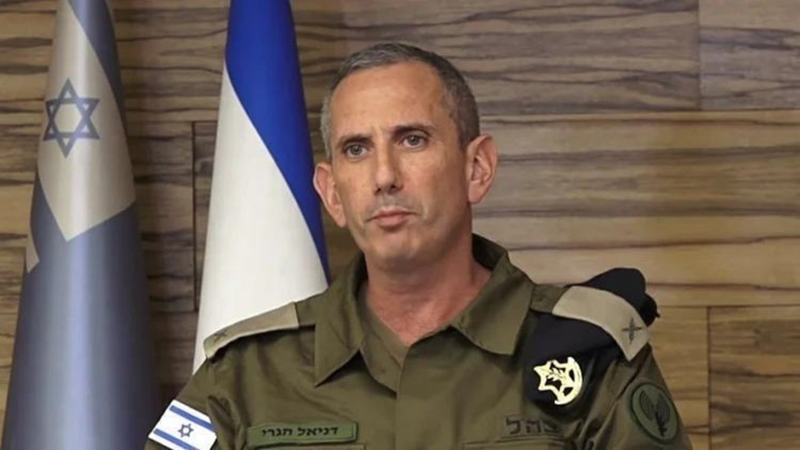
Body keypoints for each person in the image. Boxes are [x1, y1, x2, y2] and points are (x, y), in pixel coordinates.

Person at [146, 43, 692, 450]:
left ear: (476, 169)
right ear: (332, 193)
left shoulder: (589, 359)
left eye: (412, 140)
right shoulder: (246, 373)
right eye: (356, 149)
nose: (384, 175)